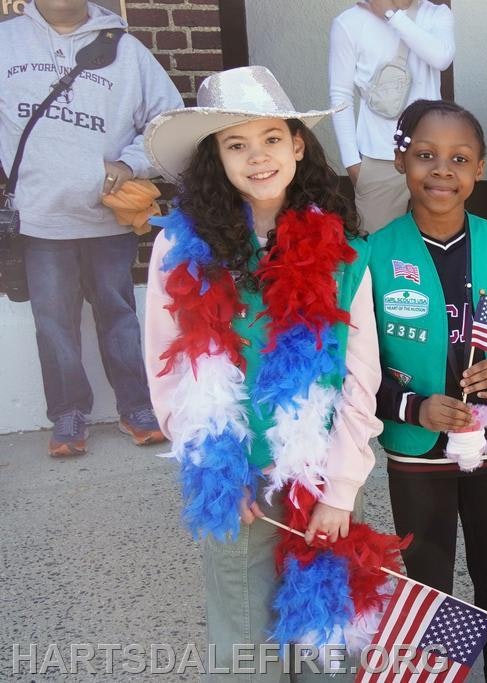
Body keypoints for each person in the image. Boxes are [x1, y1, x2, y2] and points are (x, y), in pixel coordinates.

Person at [143, 66, 382, 678]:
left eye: (272, 139)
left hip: (316, 473)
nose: (257, 158)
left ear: (298, 146)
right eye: (236, 144)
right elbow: (168, 366)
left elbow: (359, 379)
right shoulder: (180, 249)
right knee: (245, 642)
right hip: (235, 476)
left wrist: (341, 488)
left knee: (318, 643)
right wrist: (216, 468)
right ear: (214, 158)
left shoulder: (345, 254)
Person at [369, 99, 487, 682]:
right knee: (430, 583)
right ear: (402, 161)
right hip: (416, 450)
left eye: (459, 158)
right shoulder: (371, 256)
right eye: (426, 155)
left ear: (479, 169)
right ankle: (441, 674)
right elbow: (354, 377)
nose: (441, 170)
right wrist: (413, 407)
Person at [0, 0, 182, 456]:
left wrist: (130, 162)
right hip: (40, 218)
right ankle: (67, 413)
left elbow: (168, 119)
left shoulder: (128, 50)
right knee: (53, 323)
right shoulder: (6, 41)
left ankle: (137, 407)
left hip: (106, 217)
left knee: (118, 315)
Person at [328, 0, 455, 233]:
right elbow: (340, 95)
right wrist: (351, 162)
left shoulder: (436, 15)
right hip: (378, 158)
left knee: (435, 246)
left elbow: (441, 58)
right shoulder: (349, 23)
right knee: (379, 252)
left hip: (433, 156)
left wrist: (391, 14)